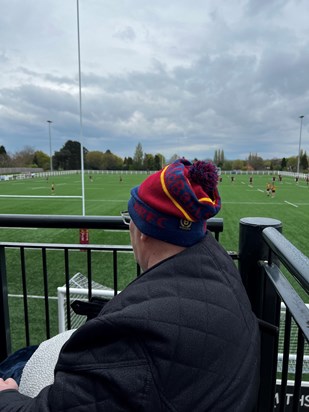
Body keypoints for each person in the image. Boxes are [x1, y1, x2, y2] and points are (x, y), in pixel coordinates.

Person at [0, 158, 260, 411]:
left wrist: (7, 397)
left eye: (129, 218)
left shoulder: (133, 337)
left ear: (143, 230)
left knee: (13, 368)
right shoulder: (219, 267)